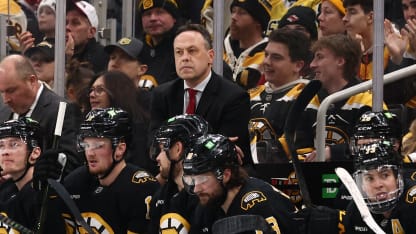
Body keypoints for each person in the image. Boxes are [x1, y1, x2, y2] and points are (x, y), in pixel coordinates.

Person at [34, 107, 160, 233]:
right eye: (86, 145)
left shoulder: (141, 188)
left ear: (120, 149)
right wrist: (41, 193)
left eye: (98, 146)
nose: (90, 153)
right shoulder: (75, 182)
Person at [150, 23, 253, 166]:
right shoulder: (162, 94)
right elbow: (154, 142)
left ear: (210, 56)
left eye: (192, 51)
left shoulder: (234, 98)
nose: (184, 58)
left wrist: (174, 147)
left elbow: (224, 152)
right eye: (179, 52)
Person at [183, 134, 299, 234]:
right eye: (192, 180)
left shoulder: (259, 208)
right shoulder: (209, 203)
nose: (196, 189)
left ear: (226, 175)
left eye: (202, 179)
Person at [0, 54, 81, 177]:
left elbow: (72, 163)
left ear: (32, 81)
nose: (6, 99)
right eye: (2, 92)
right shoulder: (4, 113)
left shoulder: (61, 111)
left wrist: (31, 173)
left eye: (11, 91)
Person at [298, 34, 376, 162]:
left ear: (340, 61)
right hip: (314, 176)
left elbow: (375, 144)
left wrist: (333, 153)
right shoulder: (309, 100)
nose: (312, 65)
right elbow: (300, 148)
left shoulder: (368, 101)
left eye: (320, 57)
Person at [248, 28, 311, 163]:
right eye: (266, 55)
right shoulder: (249, 94)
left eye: (276, 58)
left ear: (298, 65)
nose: (267, 62)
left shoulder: (307, 96)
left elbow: (294, 142)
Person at [148, 114, 209, 233]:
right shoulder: (161, 195)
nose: (158, 158)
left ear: (177, 149)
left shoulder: (206, 196)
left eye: (162, 150)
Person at [86, 71, 155, 174]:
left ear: (117, 93)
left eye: (99, 90)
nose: (92, 95)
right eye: (91, 90)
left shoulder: (139, 130)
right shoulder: (88, 128)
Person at [0, 117, 44, 231]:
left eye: (14, 144)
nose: (5, 152)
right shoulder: (5, 191)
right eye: (1, 146)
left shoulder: (42, 195)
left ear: (35, 153)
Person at [223, 0, 272, 90]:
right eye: (233, 11)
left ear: (258, 22)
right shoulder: (219, 50)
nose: (233, 17)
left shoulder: (269, 58)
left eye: (242, 13)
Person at [136, 0, 182, 90]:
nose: (153, 18)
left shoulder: (184, 48)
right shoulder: (136, 49)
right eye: (148, 14)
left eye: (160, 12)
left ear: (174, 18)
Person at [66, 0, 108, 73]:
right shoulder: (53, 51)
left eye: (75, 23)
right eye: (65, 22)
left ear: (91, 32)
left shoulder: (102, 57)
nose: (67, 27)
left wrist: (66, 59)